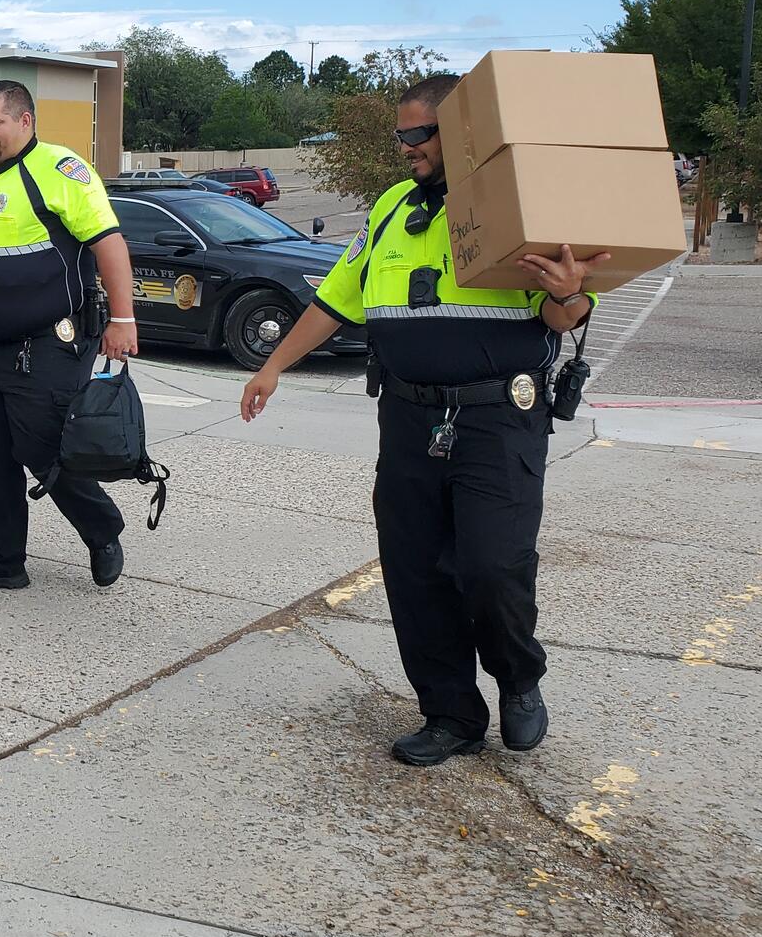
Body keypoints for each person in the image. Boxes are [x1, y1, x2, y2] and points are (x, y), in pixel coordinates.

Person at [239, 74, 606, 766]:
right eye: (400, 133)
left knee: (493, 567)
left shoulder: (513, 212)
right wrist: (273, 366)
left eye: (417, 134)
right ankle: (449, 713)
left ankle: (520, 681)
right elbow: (335, 301)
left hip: (498, 422)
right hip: (407, 421)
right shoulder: (389, 210)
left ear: (462, 136)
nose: (405, 146)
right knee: (415, 573)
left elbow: (561, 313)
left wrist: (573, 296)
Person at [0, 80, 139, 594]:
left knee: (46, 447)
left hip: (46, 343)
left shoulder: (60, 169)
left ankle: (102, 530)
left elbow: (109, 243)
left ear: (25, 120)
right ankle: (1, 562)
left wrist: (124, 319)